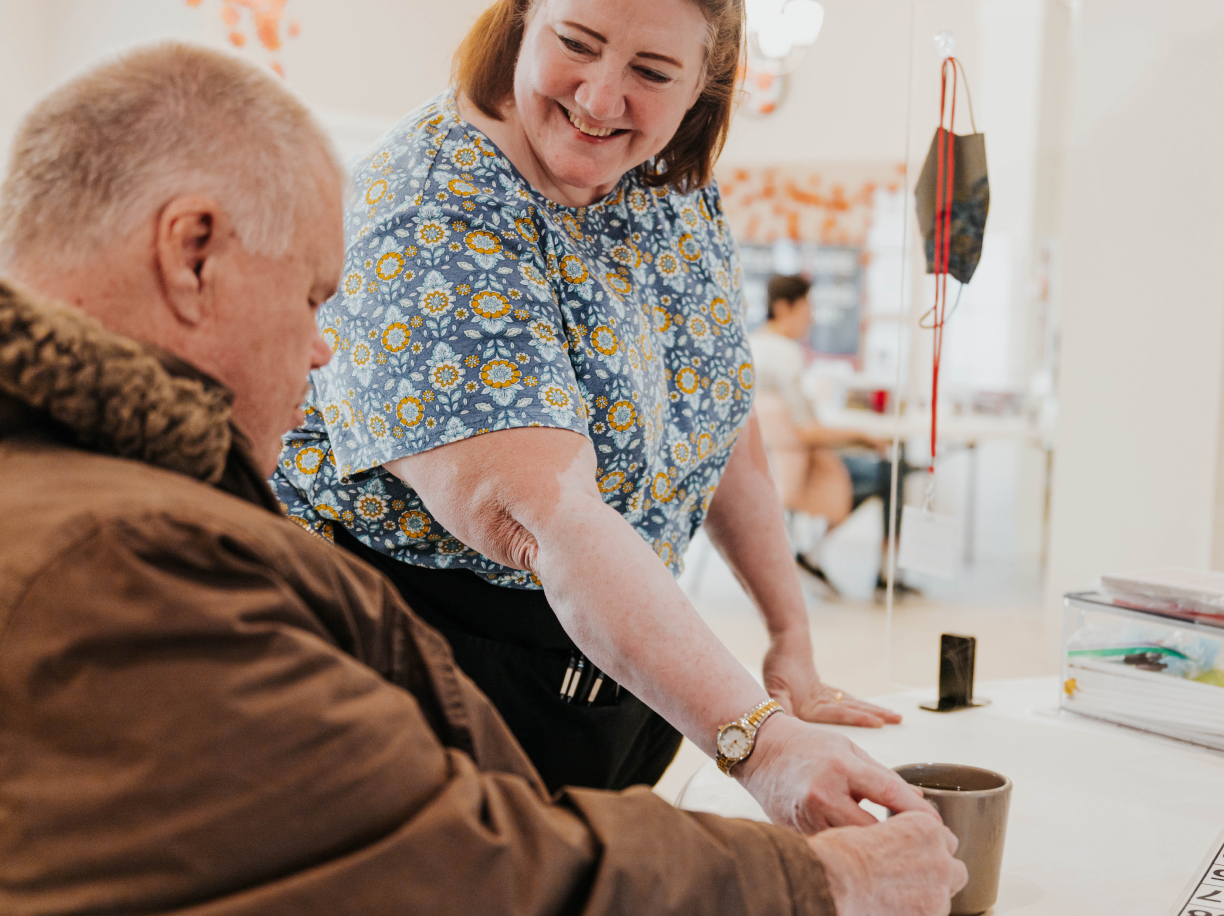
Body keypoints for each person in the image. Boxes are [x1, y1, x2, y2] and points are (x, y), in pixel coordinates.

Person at [0, 41, 969, 916]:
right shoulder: (121, 564)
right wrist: (827, 880)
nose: (325, 348)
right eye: (309, 296)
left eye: (650, 71)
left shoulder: (121, 506)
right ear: (194, 252)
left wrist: (784, 652)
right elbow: (467, 871)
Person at [274, 0, 914, 825]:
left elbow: (719, 416)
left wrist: (789, 633)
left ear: (703, 87)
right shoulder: (432, 210)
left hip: (614, 668)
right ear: (521, 23)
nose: (602, 100)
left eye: (652, 73)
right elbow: (546, 517)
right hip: (425, 677)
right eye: (577, 45)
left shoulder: (670, 183)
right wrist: (763, 743)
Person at [749, 274, 899, 564]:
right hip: (795, 468)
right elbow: (806, 431)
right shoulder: (786, 355)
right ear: (783, 308)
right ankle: (876, 571)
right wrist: (862, 434)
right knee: (891, 473)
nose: (812, 319)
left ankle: (810, 552)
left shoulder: (751, 346)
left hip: (763, 466)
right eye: (807, 309)